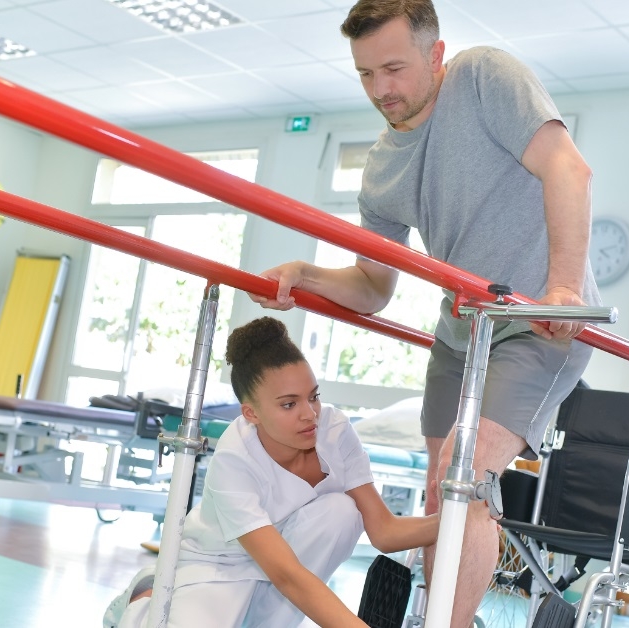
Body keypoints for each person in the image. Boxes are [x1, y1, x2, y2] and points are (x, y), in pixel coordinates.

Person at [248, 1, 600, 625]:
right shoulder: (382, 168)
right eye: (364, 74)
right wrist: (303, 276)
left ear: (436, 56)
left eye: (394, 68)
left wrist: (565, 289)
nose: (381, 90)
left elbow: (568, 168)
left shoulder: (485, 77)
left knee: (466, 474)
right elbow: (371, 287)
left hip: (539, 323)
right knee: (444, 489)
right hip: (463, 330)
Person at [104, 316, 438, 628]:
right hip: (217, 566)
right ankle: (141, 603)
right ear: (252, 413)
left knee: (343, 511)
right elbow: (287, 575)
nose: (310, 414)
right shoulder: (234, 457)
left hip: (286, 563)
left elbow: (384, 531)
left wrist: (467, 522)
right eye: (289, 404)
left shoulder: (335, 430)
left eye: (314, 397)